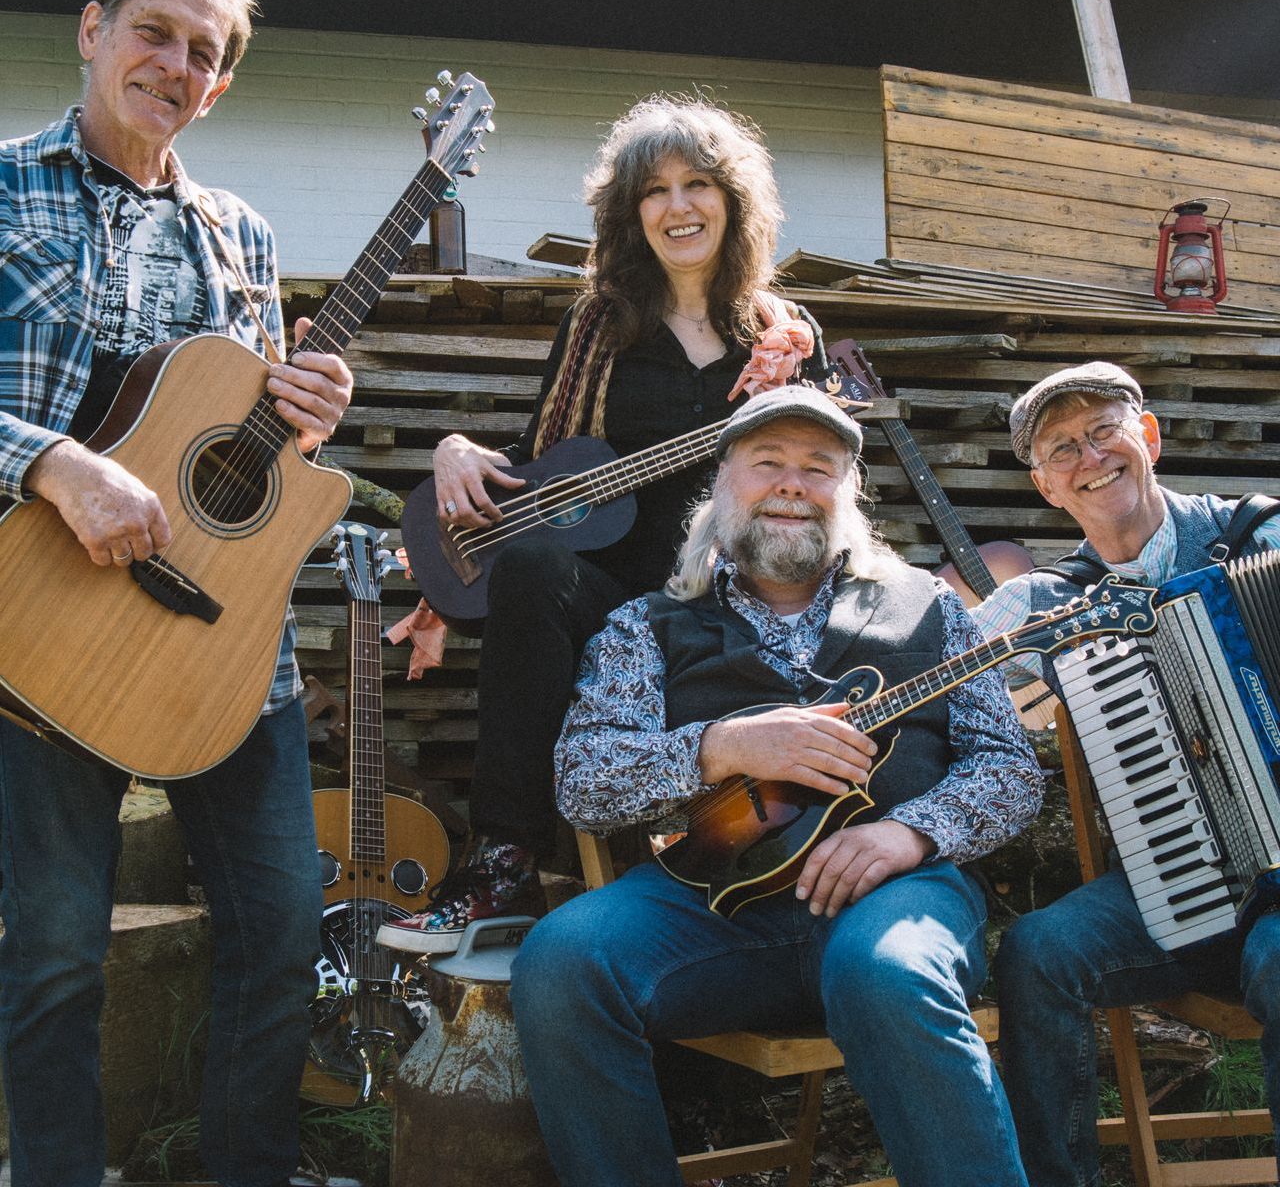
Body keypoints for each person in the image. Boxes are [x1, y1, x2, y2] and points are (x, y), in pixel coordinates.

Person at [0, 0, 354, 1187]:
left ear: (220, 87)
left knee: (281, 926)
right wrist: (51, 461)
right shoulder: (2, 188)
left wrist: (307, 410)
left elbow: (239, 438)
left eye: (203, 53)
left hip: (219, 635)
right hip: (44, 624)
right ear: (92, 30)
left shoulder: (239, 233)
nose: (174, 63)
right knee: (54, 950)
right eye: (154, 31)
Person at [508, 383, 1043, 1187]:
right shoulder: (646, 625)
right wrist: (722, 748)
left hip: (893, 903)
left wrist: (911, 832)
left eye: (818, 467)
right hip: (714, 913)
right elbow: (584, 781)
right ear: (723, 482)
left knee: (887, 972)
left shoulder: (929, 607)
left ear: (848, 492)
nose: (792, 484)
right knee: (559, 963)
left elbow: (1009, 765)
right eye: (768, 462)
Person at [378, 95, 825, 955]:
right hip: (620, 602)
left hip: (738, 604)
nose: (677, 206)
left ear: (732, 201)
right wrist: (456, 450)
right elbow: (541, 465)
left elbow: (821, 481)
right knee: (533, 568)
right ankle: (503, 864)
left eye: (697, 184)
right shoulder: (598, 326)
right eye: (654, 191)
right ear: (630, 213)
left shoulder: (784, 340)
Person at [970, 361, 1280, 1187]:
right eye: (1062, 449)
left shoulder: (1260, 539)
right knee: (1038, 953)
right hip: (1184, 880)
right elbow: (939, 671)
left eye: (1104, 431)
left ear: (1148, 436)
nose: (1090, 457)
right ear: (1045, 487)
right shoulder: (1048, 600)